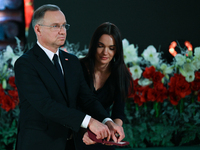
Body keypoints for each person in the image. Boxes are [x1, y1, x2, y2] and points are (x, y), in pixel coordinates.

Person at [14, 4, 125, 150]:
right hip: (39, 145)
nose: (62, 31)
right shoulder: (25, 64)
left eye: (64, 26)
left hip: (71, 145)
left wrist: (107, 121)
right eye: (55, 26)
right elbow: (46, 105)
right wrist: (89, 122)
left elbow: (87, 98)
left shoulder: (71, 61)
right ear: (38, 29)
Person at [73, 22, 133, 150]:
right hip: (78, 131)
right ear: (94, 46)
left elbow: (118, 112)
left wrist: (115, 130)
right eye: (101, 46)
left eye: (111, 48)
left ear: (117, 50)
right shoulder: (78, 68)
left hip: (104, 135)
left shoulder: (121, 74)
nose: (105, 52)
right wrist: (84, 130)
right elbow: (71, 106)